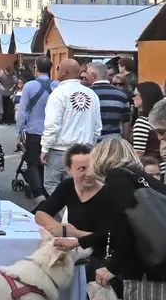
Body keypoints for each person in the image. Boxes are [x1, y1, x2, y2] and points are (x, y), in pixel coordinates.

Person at [53, 139, 166, 296]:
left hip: (145, 270)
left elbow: (124, 229)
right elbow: (117, 227)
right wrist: (79, 242)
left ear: (101, 157)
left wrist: (113, 267)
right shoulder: (140, 178)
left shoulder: (118, 178)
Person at [34, 144, 111, 285]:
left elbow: (108, 236)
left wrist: (73, 232)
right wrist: (59, 227)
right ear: (69, 170)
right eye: (82, 169)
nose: (89, 173)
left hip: (100, 257)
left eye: (92, 167)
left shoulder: (107, 193)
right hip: (76, 251)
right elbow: (41, 213)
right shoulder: (68, 186)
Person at [41, 59, 102, 195]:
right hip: (84, 150)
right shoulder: (92, 95)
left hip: (59, 150)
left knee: (52, 185)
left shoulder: (58, 94)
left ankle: (66, 213)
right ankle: (73, 212)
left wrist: (45, 148)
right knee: (78, 187)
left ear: (64, 72)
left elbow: (52, 124)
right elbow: (97, 126)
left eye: (58, 68)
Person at [16, 56, 58, 203]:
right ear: (51, 69)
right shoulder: (57, 85)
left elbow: (22, 111)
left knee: (32, 161)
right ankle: (48, 189)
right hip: (53, 131)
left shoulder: (29, 86)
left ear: (36, 68)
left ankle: (38, 192)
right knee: (49, 161)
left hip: (33, 130)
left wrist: (20, 130)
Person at [87, 62, 131, 141]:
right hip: (114, 141)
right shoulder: (121, 95)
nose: (86, 77)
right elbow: (126, 122)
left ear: (93, 75)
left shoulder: (87, 94)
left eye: (87, 74)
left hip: (92, 141)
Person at [131, 82, 164, 162]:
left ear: (145, 97)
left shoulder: (142, 122)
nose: (133, 98)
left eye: (135, 95)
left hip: (149, 168)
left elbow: (138, 154)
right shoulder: (161, 120)